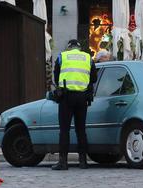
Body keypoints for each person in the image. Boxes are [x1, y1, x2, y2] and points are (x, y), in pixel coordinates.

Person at [52, 39, 97, 170]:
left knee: (64, 130)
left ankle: (63, 162)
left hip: (66, 97)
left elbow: (56, 76)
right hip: (83, 97)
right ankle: (83, 162)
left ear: (69, 47)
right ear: (79, 48)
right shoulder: (87, 57)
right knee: (81, 130)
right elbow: (93, 78)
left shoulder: (63, 56)